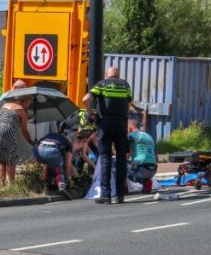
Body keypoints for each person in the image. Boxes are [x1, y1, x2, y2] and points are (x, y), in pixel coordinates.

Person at [82, 66, 136, 204]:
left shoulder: (102, 84)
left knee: (105, 158)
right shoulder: (125, 85)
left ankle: (106, 195)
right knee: (121, 159)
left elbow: (85, 99)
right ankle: (120, 195)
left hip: (105, 123)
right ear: (118, 75)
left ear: (107, 75)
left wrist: (91, 114)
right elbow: (129, 104)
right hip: (121, 125)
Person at [0, 95, 34, 185]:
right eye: (29, 102)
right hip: (6, 130)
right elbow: (24, 131)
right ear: (24, 101)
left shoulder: (6, 104)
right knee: (10, 159)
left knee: (0, 158)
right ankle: (11, 185)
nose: (29, 105)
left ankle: (1, 184)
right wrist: (31, 142)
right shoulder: (21, 110)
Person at [32, 129, 76, 199]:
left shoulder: (52, 135)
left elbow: (37, 143)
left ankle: (46, 183)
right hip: (52, 150)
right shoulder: (68, 143)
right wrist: (68, 178)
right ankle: (61, 186)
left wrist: (35, 158)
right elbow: (68, 164)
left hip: (38, 149)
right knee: (58, 170)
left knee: (49, 163)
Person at [127, 118, 157, 194]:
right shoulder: (149, 136)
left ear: (130, 127)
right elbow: (156, 156)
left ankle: (124, 187)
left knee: (118, 164)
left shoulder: (131, 136)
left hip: (141, 169)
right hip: (153, 169)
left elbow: (127, 154)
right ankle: (146, 182)